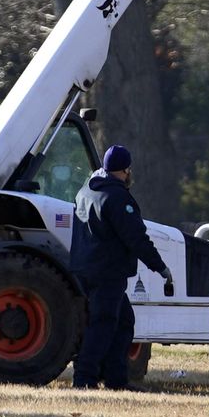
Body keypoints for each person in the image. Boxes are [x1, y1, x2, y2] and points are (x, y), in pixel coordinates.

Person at [69, 145, 172, 390]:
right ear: (125, 170)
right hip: (107, 272)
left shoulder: (86, 190)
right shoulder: (118, 197)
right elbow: (136, 239)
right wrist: (161, 268)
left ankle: (116, 380)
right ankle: (84, 379)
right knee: (103, 324)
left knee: (124, 322)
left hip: (85, 269)